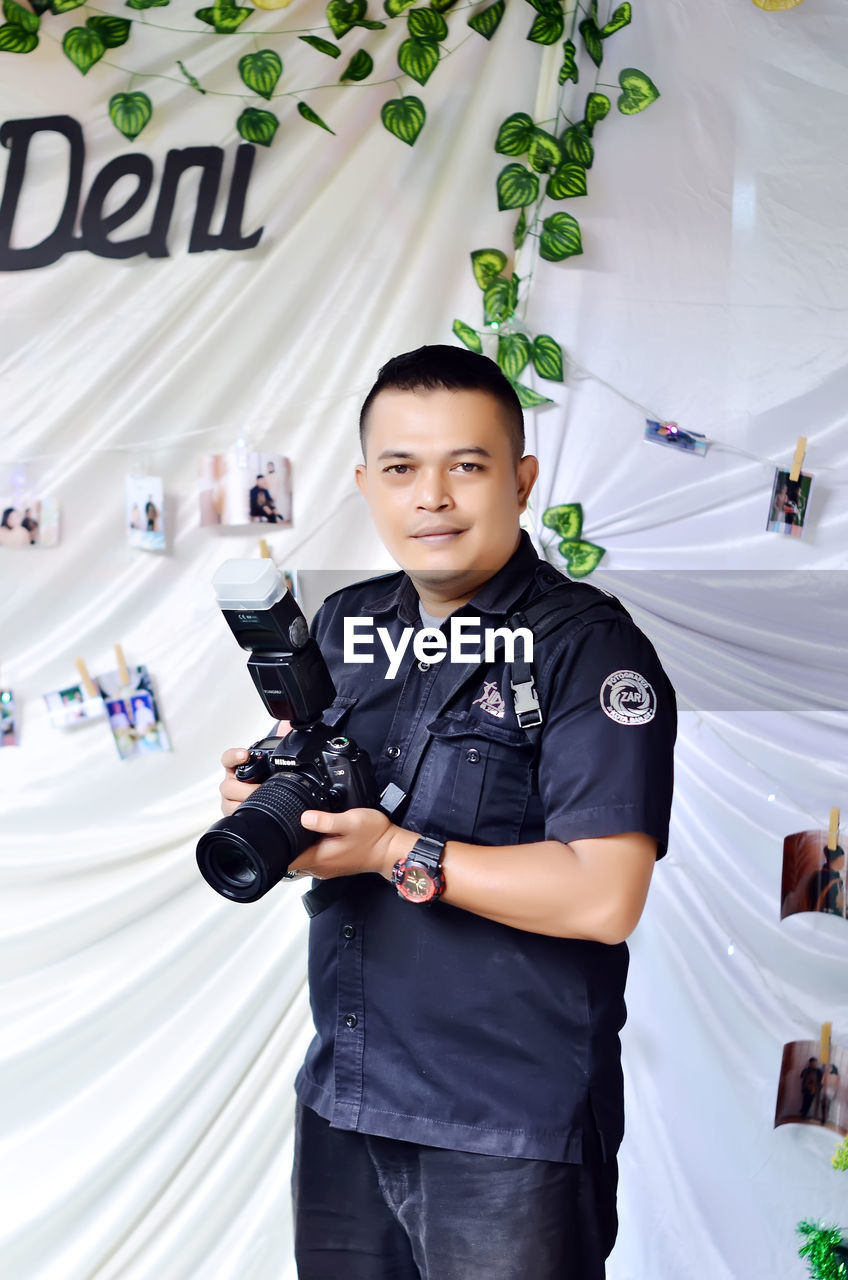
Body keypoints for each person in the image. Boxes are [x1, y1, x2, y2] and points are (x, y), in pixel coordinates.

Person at [218, 346, 677, 1279]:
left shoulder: (588, 652)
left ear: (521, 479)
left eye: (465, 466)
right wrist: (269, 794)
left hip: (507, 1131)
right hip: (346, 1102)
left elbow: (604, 895)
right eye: (400, 469)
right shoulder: (346, 629)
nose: (432, 497)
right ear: (366, 485)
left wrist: (390, 849)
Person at [805, 843, 845, 916]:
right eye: (842, 859)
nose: (843, 862)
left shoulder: (837, 878)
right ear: (837, 860)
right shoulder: (823, 877)